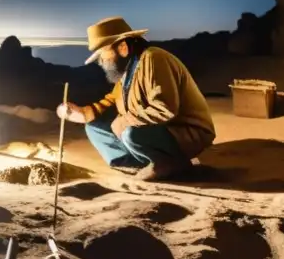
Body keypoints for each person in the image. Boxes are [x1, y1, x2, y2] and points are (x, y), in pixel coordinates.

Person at [57, 17, 215, 182]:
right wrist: (83, 113)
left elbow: (165, 108)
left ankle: (169, 163)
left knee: (131, 133)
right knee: (94, 128)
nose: (101, 61)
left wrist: (125, 121)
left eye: (103, 53)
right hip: (157, 132)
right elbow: (111, 99)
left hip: (185, 133)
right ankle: (135, 163)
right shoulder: (127, 71)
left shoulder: (154, 59)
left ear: (123, 48)